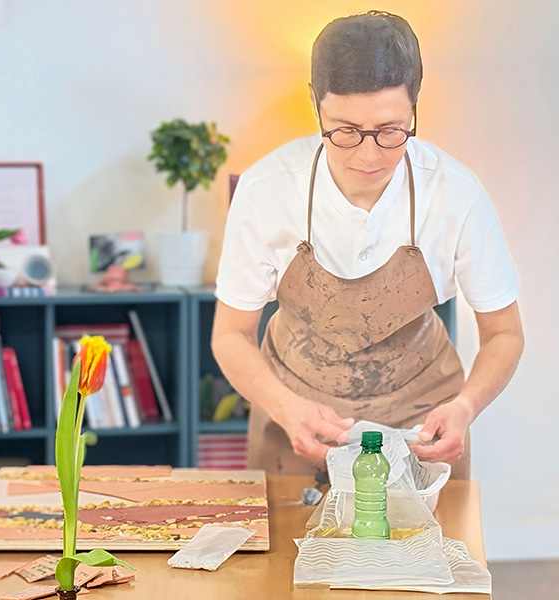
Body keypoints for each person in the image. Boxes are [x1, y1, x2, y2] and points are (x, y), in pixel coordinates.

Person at [212, 11, 524, 479]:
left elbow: (505, 333)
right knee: (289, 551)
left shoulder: (456, 193)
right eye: (345, 131)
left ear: (415, 107)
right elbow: (230, 335)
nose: (368, 155)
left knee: (423, 551)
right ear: (315, 103)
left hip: (420, 428)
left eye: (391, 130)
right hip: (295, 420)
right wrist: (287, 408)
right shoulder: (267, 190)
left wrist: (464, 407)